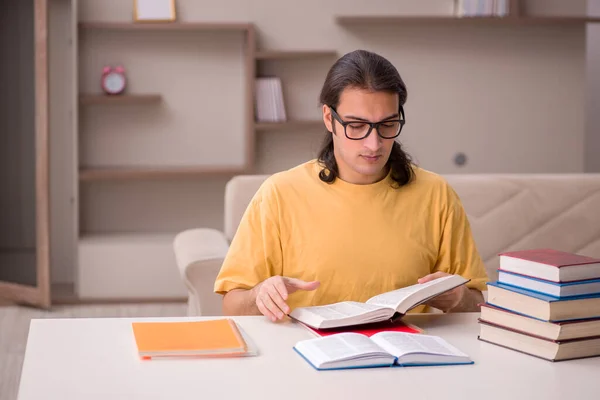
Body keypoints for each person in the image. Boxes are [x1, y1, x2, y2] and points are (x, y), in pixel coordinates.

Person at [214, 49, 488, 321]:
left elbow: (476, 303)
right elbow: (232, 304)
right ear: (328, 118)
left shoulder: (436, 194)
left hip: (406, 357)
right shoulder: (279, 194)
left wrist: (459, 298)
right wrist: (259, 294)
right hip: (304, 356)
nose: (374, 144)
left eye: (388, 124)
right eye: (356, 126)